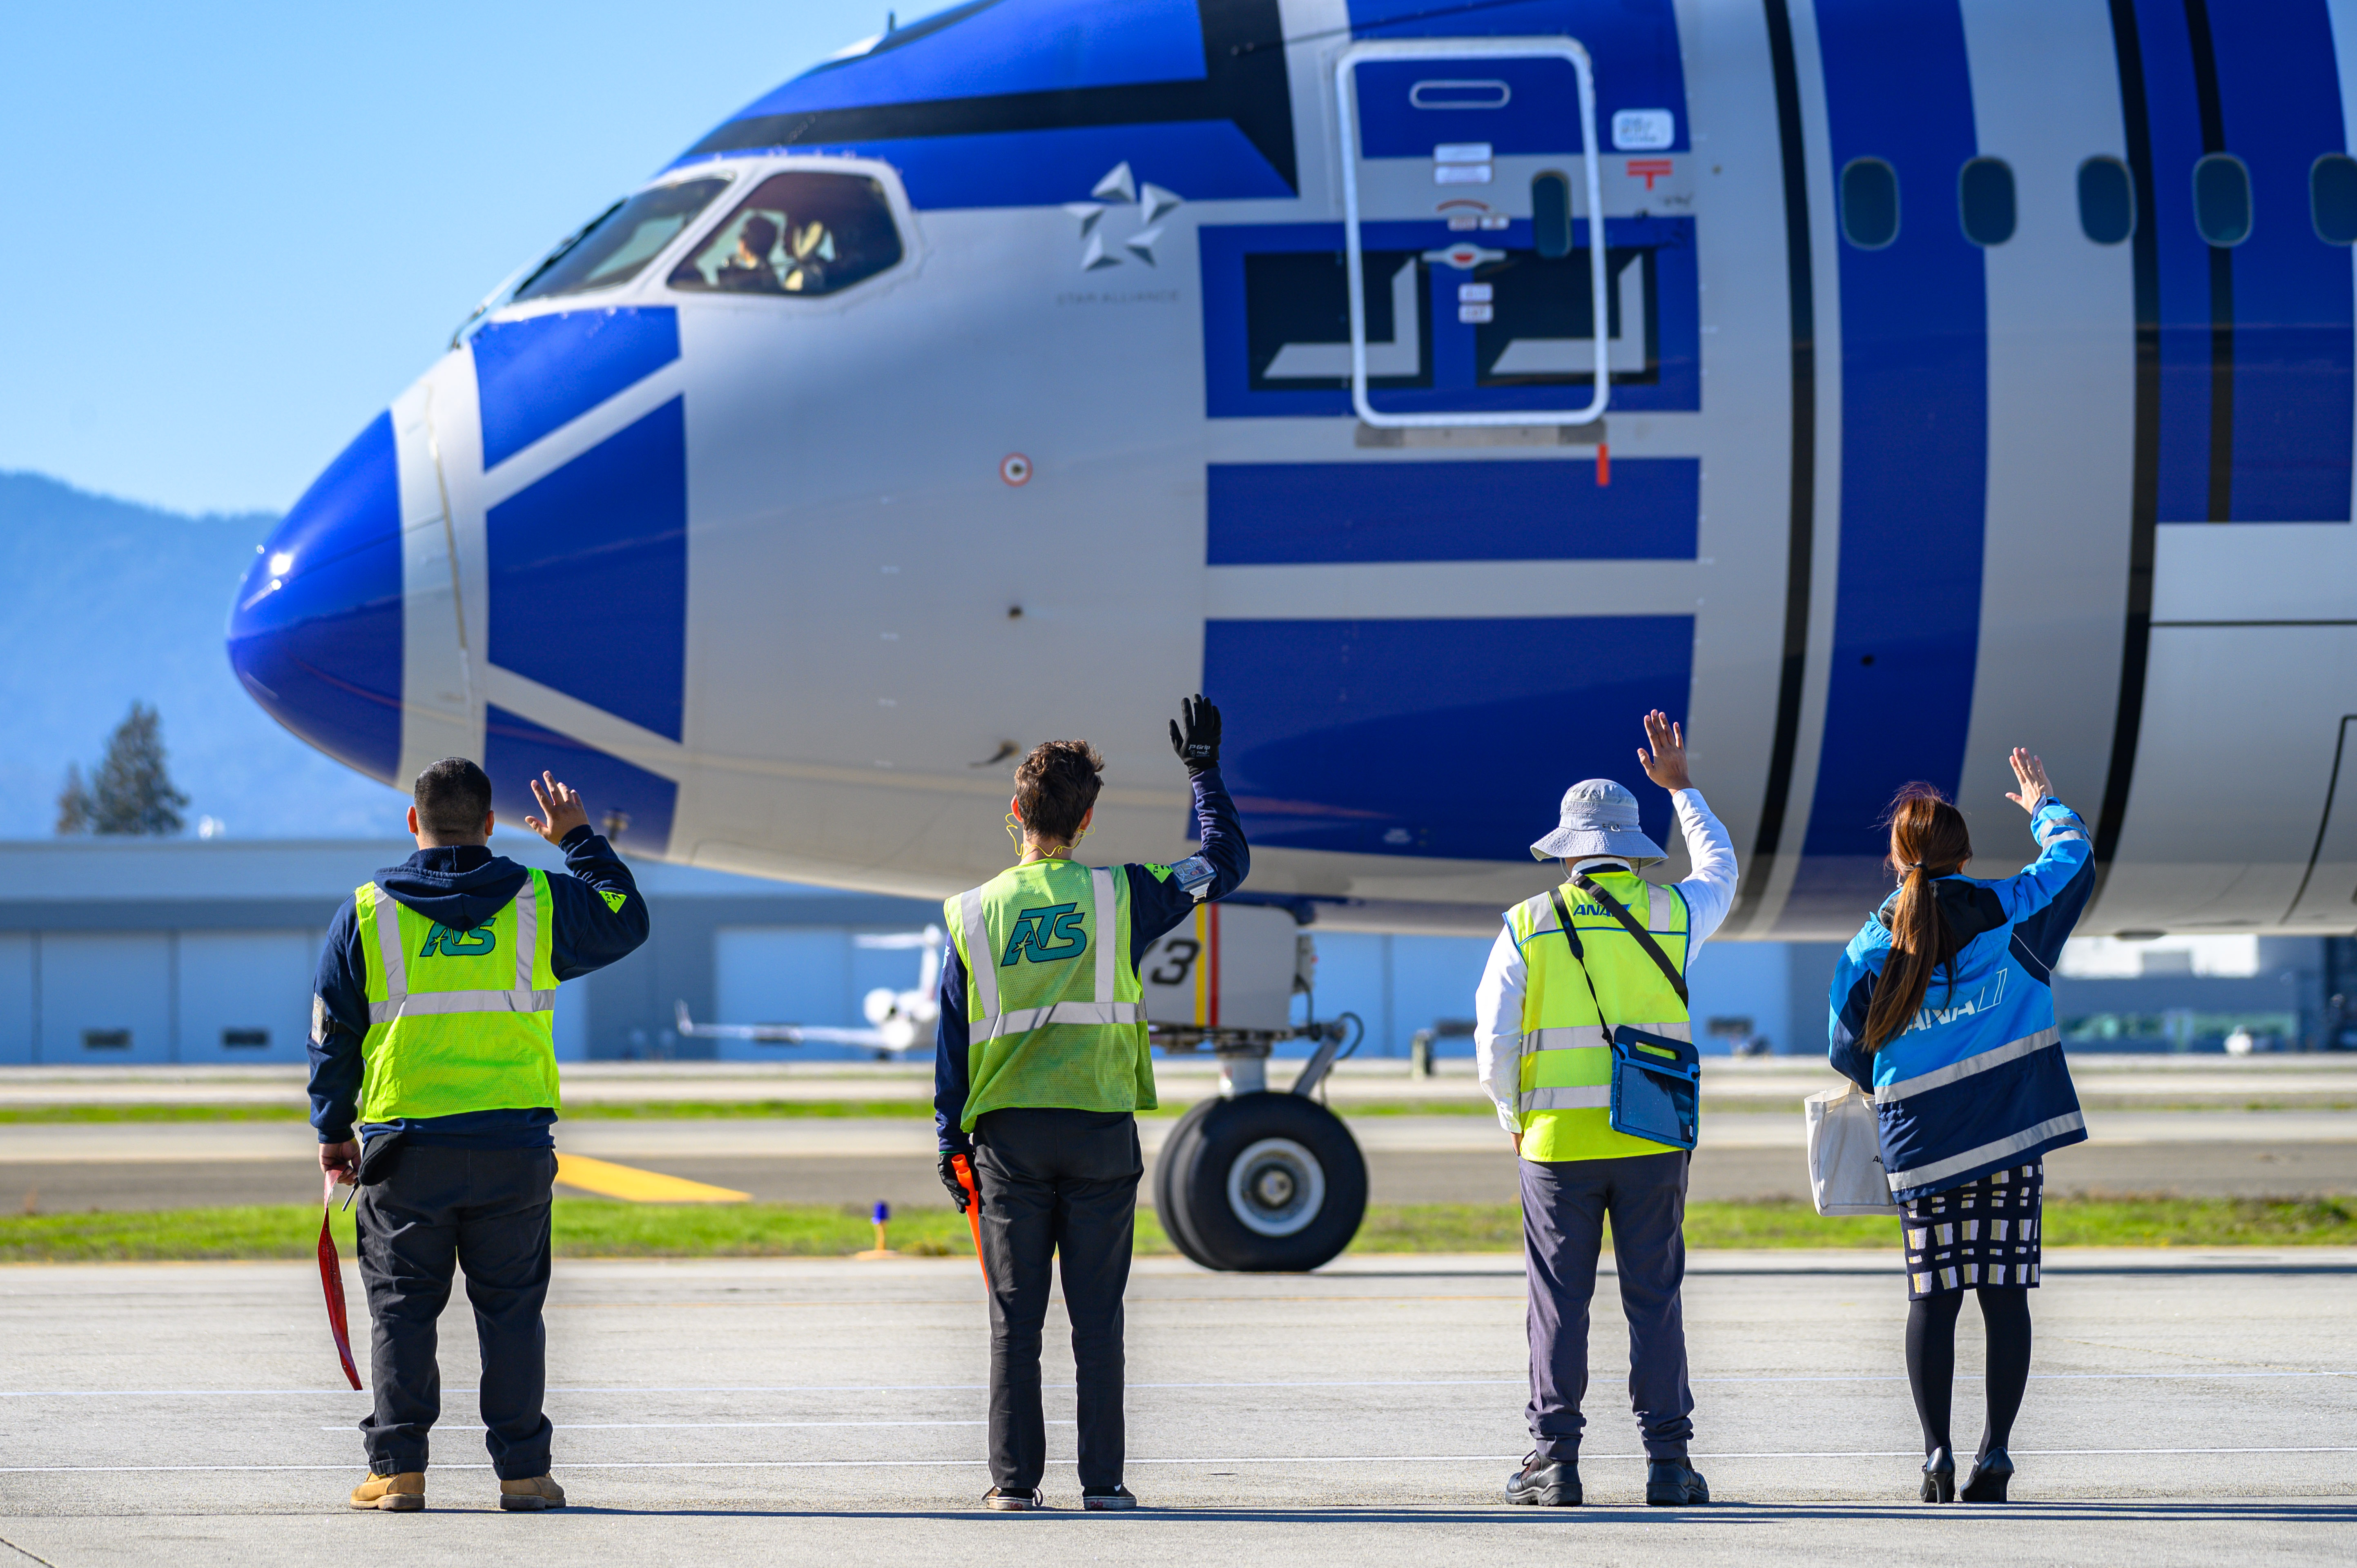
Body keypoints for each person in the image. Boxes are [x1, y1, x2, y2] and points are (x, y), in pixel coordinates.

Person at [933, 696, 1248, 1512]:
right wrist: (1204, 773)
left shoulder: (970, 913)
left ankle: (1014, 1485)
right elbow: (1226, 861)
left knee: (1015, 1320)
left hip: (1008, 1140)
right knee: (1098, 1320)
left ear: (1015, 816)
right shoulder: (1125, 896)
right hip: (1101, 1131)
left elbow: (951, 1042)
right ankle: (1103, 1485)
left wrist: (949, 1144)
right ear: (1088, 820)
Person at [310, 759, 650, 1512]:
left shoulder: (366, 913)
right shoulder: (540, 902)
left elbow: (333, 1035)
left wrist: (332, 1130)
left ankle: (398, 1470)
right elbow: (627, 918)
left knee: (402, 1311)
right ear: (491, 824)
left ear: (414, 822)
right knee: (513, 1314)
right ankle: (524, 1474)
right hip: (512, 1147)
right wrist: (579, 839)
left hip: (406, 1150)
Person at [1476, 711, 1738, 1508]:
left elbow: (1494, 1040)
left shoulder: (1527, 924)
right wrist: (1682, 788)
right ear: (1632, 848)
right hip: (1655, 1137)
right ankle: (1669, 1463)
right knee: (1655, 1299)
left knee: (1559, 1303)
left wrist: (1514, 1119)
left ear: (1568, 850)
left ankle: (1555, 1461)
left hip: (1557, 1145)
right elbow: (1721, 866)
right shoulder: (1676, 914)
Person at [1828, 751, 2093, 1504]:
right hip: (2009, 1140)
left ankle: (1937, 1455)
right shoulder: (2014, 912)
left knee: (1933, 1299)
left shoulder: (1870, 946)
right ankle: (1996, 1454)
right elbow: (2072, 862)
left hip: (1922, 1146)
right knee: (2005, 1296)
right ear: (1966, 856)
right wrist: (2044, 807)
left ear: (1897, 859)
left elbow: (1845, 1047)